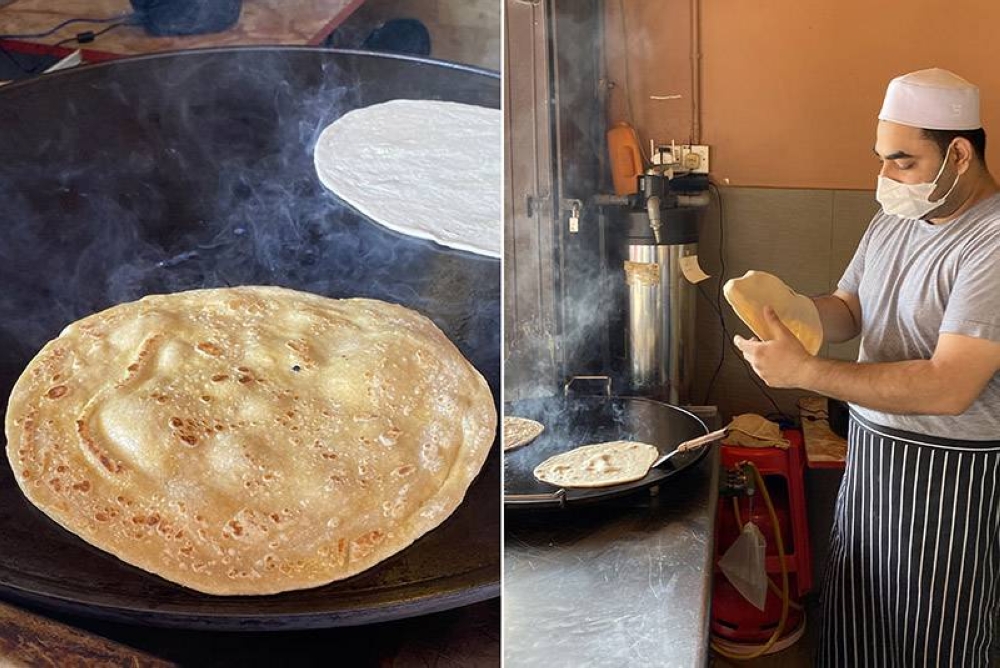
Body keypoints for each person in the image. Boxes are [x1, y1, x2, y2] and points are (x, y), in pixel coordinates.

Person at [734, 68, 1000, 666]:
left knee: (936, 638)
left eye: (903, 161)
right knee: (857, 617)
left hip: (948, 480)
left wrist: (804, 371)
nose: (885, 177)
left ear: (958, 154)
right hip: (874, 457)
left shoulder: (993, 242)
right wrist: (789, 311)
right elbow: (851, 308)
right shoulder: (895, 219)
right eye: (881, 158)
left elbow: (949, 385)